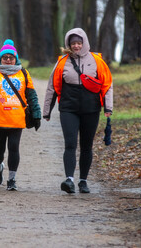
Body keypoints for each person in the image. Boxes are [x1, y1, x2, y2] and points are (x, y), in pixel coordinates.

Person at [43, 28, 113, 194]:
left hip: (91, 109)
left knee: (86, 146)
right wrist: (47, 111)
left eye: (79, 43)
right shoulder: (62, 62)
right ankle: (69, 180)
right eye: (73, 43)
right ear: (68, 44)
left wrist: (108, 108)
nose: (76, 46)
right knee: (70, 144)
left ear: (84, 43)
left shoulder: (97, 61)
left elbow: (107, 85)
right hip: (69, 109)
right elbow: (52, 87)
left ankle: (83, 181)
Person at [0, 39, 41, 191]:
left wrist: (37, 114)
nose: (8, 60)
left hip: (16, 119)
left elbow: (32, 95)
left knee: (14, 148)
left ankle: (12, 180)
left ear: (15, 59)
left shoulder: (23, 73)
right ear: (0, 58)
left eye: (11, 57)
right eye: (5, 57)